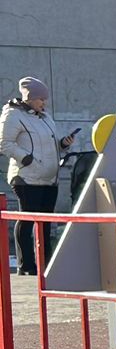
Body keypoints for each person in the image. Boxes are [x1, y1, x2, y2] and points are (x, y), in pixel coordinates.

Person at [1, 77, 73, 275]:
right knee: (27, 218)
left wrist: (63, 144)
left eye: (45, 99)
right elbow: (5, 143)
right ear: (30, 98)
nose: (44, 102)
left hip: (49, 178)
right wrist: (26, 159)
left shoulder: (45, 117)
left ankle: (46, 264)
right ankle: (26, 265)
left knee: (46, 222)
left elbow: (48, 146)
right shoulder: (13, 115)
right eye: (41, 98)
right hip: (26, 177)